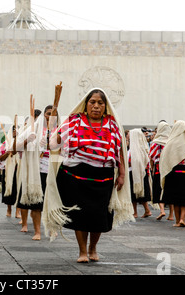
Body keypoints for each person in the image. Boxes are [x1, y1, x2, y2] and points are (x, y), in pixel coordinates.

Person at [43, 88, 133, 263]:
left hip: (103, 176)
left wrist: (122, 174)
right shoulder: (74, 121)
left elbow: (119, 151)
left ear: (105, 106)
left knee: (98, 215)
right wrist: (55, 134)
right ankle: (82, 251)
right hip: (77, 176)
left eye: (100, 103)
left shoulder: (113, 124)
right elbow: (53, 144)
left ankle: (93, 248)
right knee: (81, 216)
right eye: (93, 102)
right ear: (86, 105)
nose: (96, 106)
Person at [15, 108, 44, 240]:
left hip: (47, 172)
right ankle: (29, 225)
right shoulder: (29, 130)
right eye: (48, 114)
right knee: (28, 201)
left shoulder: (55, 131)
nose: (50, 117)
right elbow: (15, 148)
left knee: (45, 203)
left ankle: (50, 227)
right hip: (30, 172)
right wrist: (28, 140)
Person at [149, 121, 173, 221]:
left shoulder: (155, 142)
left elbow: (151, 157)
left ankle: (162, 210)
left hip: (159, 169)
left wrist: (151, 167)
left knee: (159, 190)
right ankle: (171, 215)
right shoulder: (171, 141)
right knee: (170, 191)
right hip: (169, 170)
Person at [129, 128, 153, 218]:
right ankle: (145, 210)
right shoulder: (143, 147)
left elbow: (135, 160)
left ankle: (136, 212)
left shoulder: (135, 149)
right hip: (140, 172)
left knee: (135, 193)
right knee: (138, 194)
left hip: (136, 173)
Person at [0, 125, 21, 218]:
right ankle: (9, 209)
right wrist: (8, 152)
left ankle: (18, 211)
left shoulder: (21, 143)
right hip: (8, 169)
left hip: (19, 169)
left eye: (17, 130)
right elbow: (0, 157)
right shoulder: (5, 143)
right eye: (13, 130)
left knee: (19, 189)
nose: (15, 132)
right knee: (9, 189)